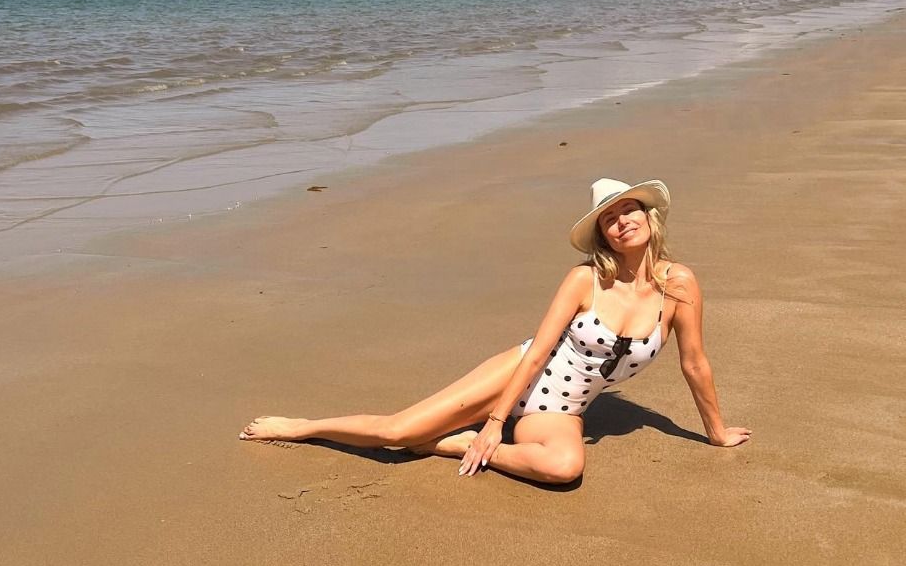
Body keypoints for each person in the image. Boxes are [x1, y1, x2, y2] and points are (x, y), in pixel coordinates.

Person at [240, 178, 751, 484]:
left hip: (562, 410)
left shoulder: (679, 285)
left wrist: (716, 432)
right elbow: (539, 353)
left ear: (649, 217)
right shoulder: (585, 280)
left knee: (565, 469)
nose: (622, 222)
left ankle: (449, 445)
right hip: (516, 376)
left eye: (628, 210)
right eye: (609, 219)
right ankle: (301, 427)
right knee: (397, 435)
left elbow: (694, 363)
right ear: (603, 237)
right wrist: (494, 421)